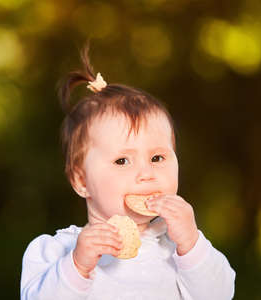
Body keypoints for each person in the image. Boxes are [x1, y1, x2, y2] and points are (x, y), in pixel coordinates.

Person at [20, 43, 236, 300]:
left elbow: (220, 295)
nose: (146, 173)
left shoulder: (178, 249)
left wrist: (191, 244)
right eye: (122, 161)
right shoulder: (56, 251)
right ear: (81, 180)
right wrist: (77, 267)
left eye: (157, 157)